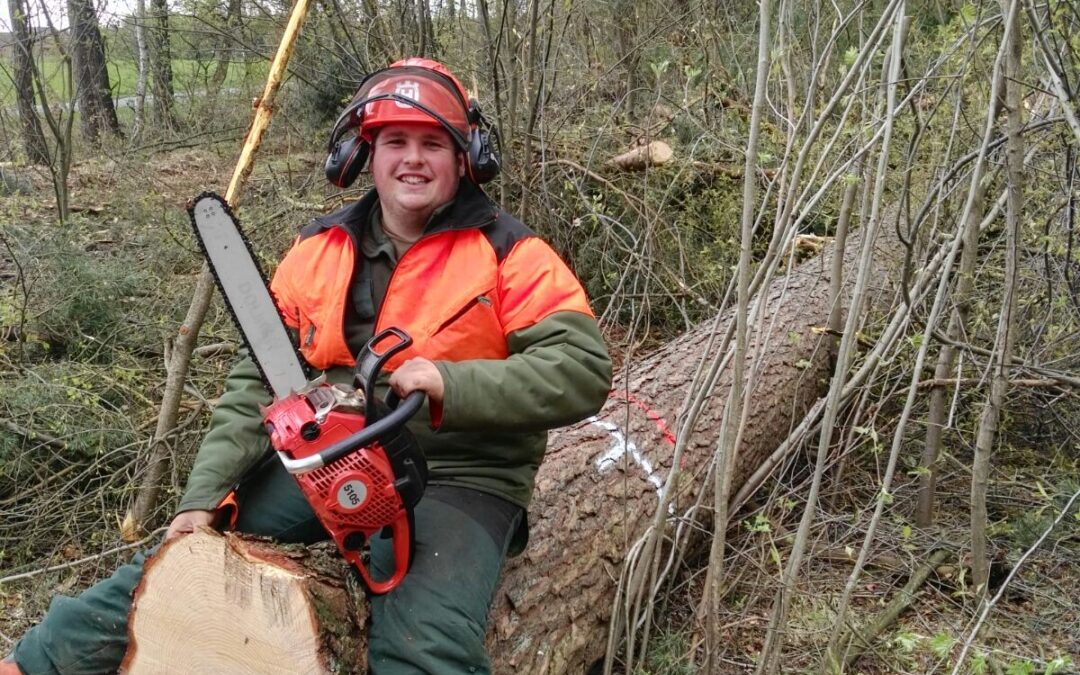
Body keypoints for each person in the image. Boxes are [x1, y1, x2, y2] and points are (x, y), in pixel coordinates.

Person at [2, 57, 611, 675]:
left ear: (465, 158)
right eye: (395, 141)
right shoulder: (318, 249)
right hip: (332, 456)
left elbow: (582, 369)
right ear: (363, 156)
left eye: (433, 143)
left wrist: (449, 382)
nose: (413, 160)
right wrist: (202, 496)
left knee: (423, 645)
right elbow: (255, 383)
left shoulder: (512, 253)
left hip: (462, 472)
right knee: (177, 568)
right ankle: (32, 666)